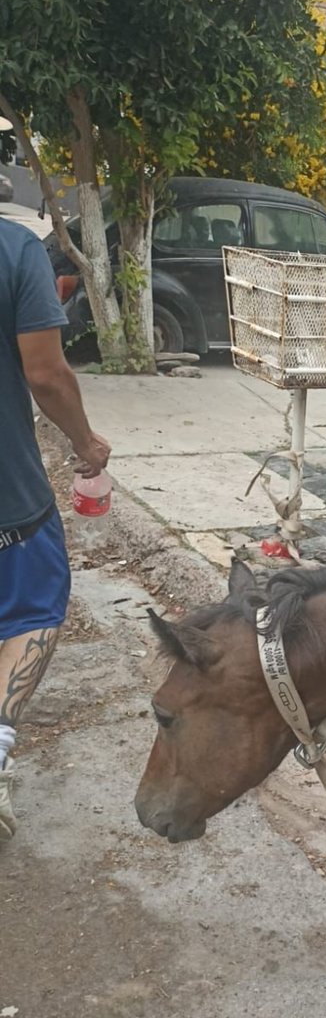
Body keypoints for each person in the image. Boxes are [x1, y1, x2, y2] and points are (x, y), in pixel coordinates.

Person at [0, 216, 110, 840]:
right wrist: (86, 443)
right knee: (35, 606)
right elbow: (45, 374)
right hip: (8, 493)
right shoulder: (14, 249)